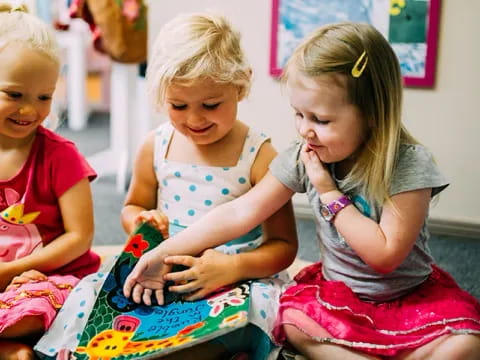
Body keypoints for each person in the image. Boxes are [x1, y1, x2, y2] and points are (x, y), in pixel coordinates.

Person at [124, 22, 480, 359]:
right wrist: (164, 251)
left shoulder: (408, 164)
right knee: (293, 325)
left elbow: (384, 255)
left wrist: (328, 191)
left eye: (321, 120)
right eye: (299, 114)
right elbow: (240, 211)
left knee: (465, 346)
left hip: (408, 298)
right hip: (342, 301)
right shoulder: (304, 154)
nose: (305, 131)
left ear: (373, 113)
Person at [36, 12, 298, 360]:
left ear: (241, 84)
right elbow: (133, 208)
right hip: (161, 272)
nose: (194, 119)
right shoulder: (156, 145)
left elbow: (283, 246)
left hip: (232, 275)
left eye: (211, 104)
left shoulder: (260, 155)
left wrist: (233, 268)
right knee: (92, 304)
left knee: (238, 323)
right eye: (178, 105)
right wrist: (142, 222)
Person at [0, 3, 100, 360]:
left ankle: (15, 342)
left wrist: (14, 271)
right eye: (14, 95)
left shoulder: (61, 156)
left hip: (48, 276)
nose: (30, 110)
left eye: (44, 97)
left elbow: (80, 237)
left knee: (30, 315)